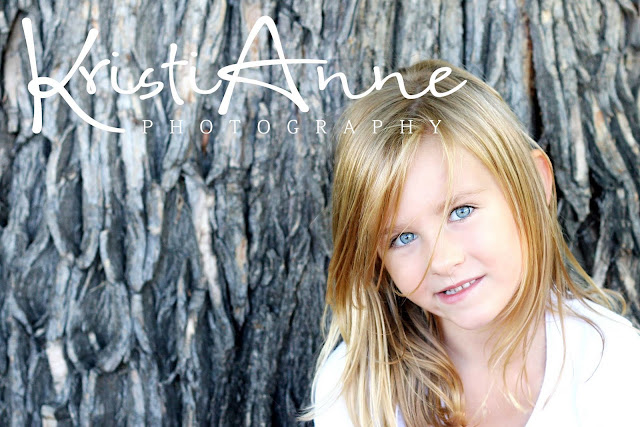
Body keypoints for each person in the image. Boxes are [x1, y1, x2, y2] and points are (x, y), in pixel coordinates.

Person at [300, 59, 640, 427]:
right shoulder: (357, 394)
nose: (442, 261)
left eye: (461, 212)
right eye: (403, 238)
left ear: (534, 183)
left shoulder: (614, 369)